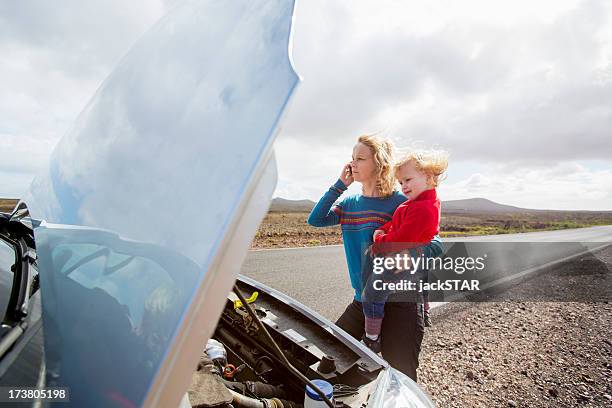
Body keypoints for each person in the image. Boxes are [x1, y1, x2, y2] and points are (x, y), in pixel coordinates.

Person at [307, 135, 443, 382]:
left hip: (401, 304)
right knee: (328, 360)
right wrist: (340, 184)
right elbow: (315, 220)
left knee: (400, 377)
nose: (353, 164)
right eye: (352, 158)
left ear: (379, 164)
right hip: (363, 300)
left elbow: (435, 244)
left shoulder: (402, 201)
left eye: (360, 158)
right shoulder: (349, 204)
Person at [362, 149, 448, 351]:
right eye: (401, 182)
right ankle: (425, 307)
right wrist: (384, 229)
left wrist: (379, 242)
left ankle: (372, 338)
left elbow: (402, 239)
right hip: (412, 258)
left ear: (428, 178)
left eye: (408, 179)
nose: (404, 186)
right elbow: (397, 223)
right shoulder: (416, 203)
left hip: (404, 259)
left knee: (373, 291)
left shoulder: (423, 208)